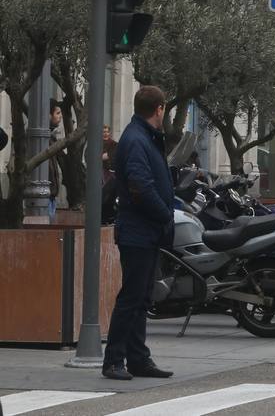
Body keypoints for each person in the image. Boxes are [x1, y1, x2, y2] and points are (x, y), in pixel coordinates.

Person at [103, 86, 175, 381]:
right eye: (164, 109)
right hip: (138, 231)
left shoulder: (143, 137)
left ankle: (137, 358)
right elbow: (139, 186)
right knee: (131, 298)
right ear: (159, 109)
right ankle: (114, 360)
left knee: (142, 298)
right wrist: (164, 213)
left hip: (146, 231)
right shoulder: (136, 140)